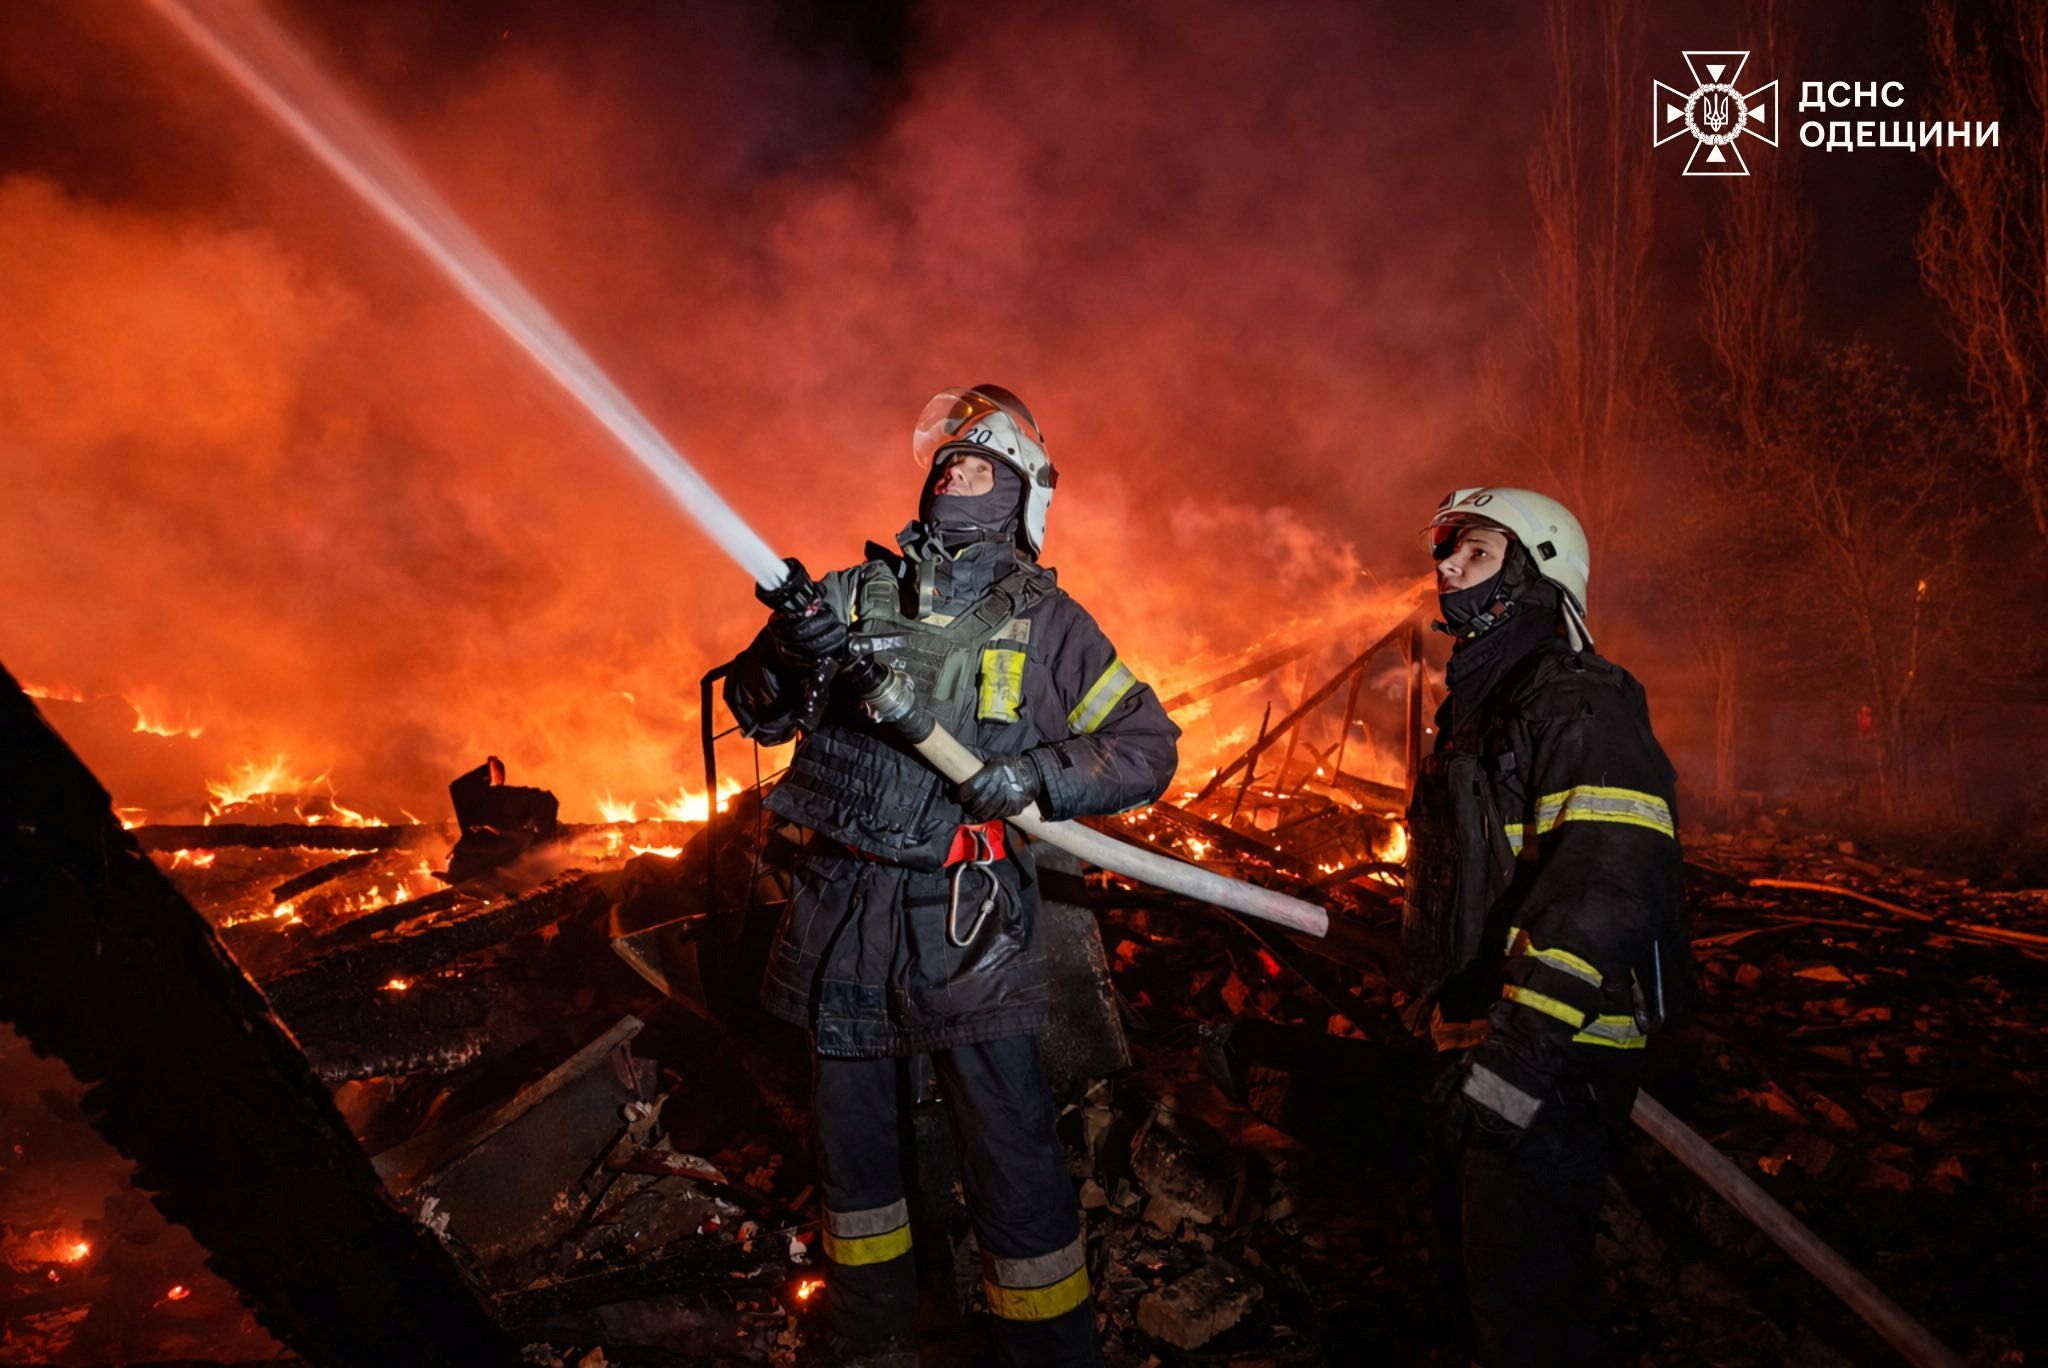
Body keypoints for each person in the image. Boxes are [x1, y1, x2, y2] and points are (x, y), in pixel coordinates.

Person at [722, 385, 1179, 1366]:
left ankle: (1050, 1352)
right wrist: (782, 647)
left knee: (1008, 1147)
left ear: (1018, 496)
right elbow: (758, 714)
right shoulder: (847, 595)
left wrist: (1035, 774)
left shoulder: (1048, 624)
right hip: (843, 909)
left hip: (963, 920)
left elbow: (1147, 748)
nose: (953, 473)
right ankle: (873, 1341)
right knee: (852, 1159)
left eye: (978, 465)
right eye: (946, 462)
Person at [1403, 487, 1692, 1366]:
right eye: (1446, 551)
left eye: (1477, 552)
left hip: (1557, 1056)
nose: (1447, 568)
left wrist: (1515, 1062)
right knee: (1474, 1284)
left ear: (1539, 570)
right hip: (1492, 1044)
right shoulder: (1484, 710)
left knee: (1526, 1304)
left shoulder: (1580, 702)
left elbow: (1604, 889)